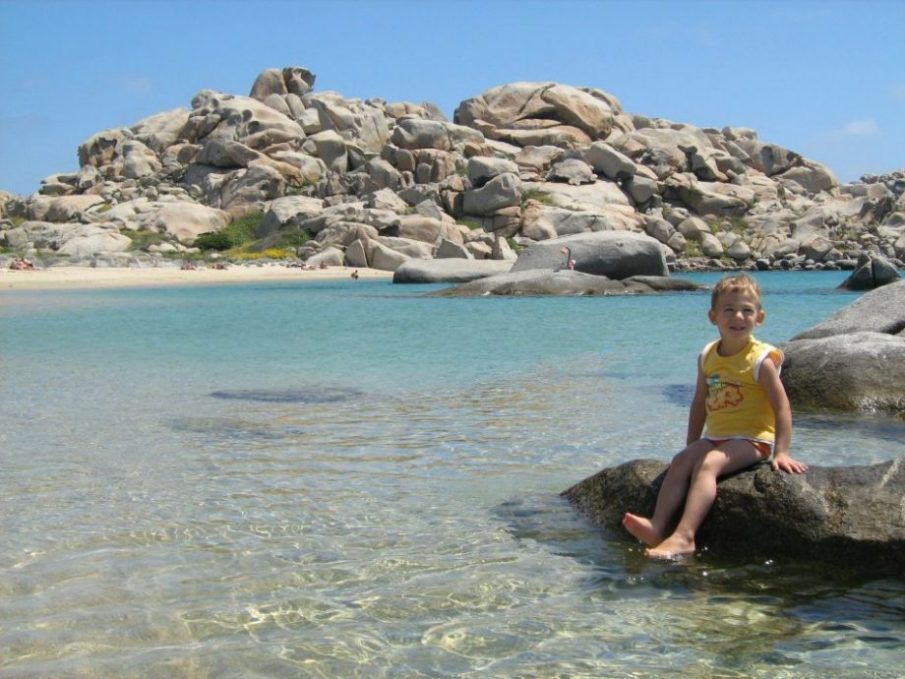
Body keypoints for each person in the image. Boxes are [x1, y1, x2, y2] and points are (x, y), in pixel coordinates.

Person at [622, 273, 808, 559]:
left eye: (747, 310)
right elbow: (699, 404)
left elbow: (782, 407)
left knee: (708, 465)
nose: (738, 316)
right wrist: (691, 444)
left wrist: (781, 452)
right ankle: (658, 526)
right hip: (717, 436)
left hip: (752, 439)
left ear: (760, 318)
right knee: (682, 461)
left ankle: (685, 537)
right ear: (713, 317)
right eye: (729, 309)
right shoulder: (708, 355)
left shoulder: (760, 359)